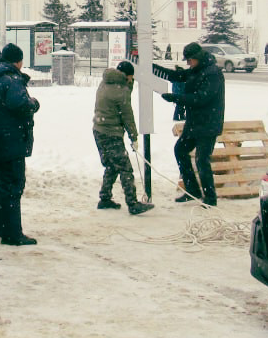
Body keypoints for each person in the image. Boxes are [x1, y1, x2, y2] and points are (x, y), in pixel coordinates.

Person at [0, 42, 40, 246]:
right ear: (18, 61)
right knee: (13, 185)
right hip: (11, 141)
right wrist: (33, 103)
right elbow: (19, 104)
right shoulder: (12, 80)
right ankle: (12, 233)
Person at [160, 41, 225, 206]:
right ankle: (192, 190)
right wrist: (149, 67)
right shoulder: (196, 70)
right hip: (194, 122)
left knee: (202, 160)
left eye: (189, 60)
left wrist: (176, 98)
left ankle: (210, 198)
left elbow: (201, 98)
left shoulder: (212, 73)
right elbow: (175, 76)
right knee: (180, 150)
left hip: (208, 124)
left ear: (197, 57)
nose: (187, 63)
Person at [92, 61, 153, 215]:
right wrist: (134, 136)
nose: (132, 80)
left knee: (112, 166)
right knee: (125, 167)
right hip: (111, 133)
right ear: (126, 76)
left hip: (99, 130)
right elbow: (127, 115)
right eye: (131, 78)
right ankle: (132, 204)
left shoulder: (106, 82)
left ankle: (105, 198)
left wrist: (127, 84)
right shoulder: (121, 90)